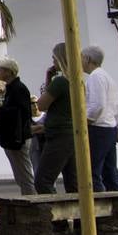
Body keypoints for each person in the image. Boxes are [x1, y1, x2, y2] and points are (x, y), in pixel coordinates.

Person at [34, 44, 78, 194]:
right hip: (72, 133)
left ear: (60, 59)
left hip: (59, 135)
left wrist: (49, 80)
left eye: (54, 58)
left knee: (43, 180)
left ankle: (57, 217)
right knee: (73, 182)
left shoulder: (60, 82)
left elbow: (41, 105)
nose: (52, 61)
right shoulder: (78, 81)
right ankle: (79, 216)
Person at [82, 45, 118, 191]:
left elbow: (97, 104)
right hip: (110, 129)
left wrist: (86, 121)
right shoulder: (107, 77)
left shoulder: (95, 77)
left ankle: (99, 206)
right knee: (110, 171)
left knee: (92, 172)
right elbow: (117, 107)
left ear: (87, 59)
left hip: (98, 129)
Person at [0, 58, 35, 195]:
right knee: (20, 175)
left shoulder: (19, 89)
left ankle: (33, 205)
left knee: (25, 175)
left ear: (8, 72)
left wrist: (1, 110)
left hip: (18, 138)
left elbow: (23, 114)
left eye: (0, 70)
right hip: (13, 138)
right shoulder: (11, 89)